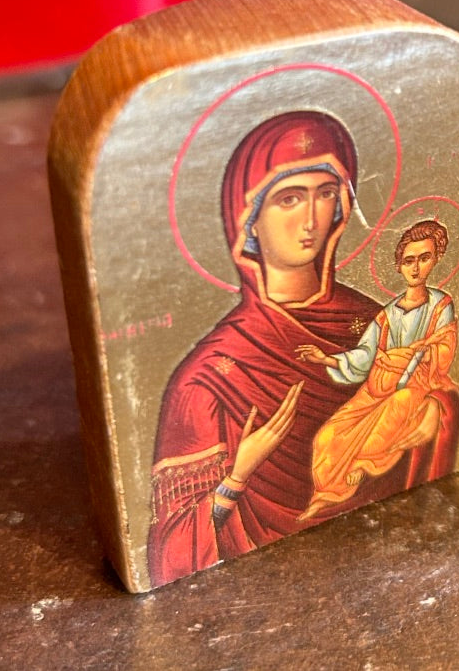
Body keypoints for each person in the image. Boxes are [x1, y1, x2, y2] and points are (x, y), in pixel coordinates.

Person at [147, 111, 442, 587]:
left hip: (391, 557)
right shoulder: (205, 378)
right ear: (249, 221)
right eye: (289, 198)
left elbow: (436, 418)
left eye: (325, 194)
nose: (310, 218)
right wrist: (237, 476)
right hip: (255, 588)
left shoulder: (379, 322)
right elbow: (170, 553)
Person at [295, 219, 459, 518]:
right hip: (375, 387)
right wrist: (326, 359)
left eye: (424, 259)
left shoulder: (440, 305)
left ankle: (362, 464)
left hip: (414, 384)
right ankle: (326, 494)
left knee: (396, 407)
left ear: (435, 260)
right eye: (409, 260)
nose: (416, 268)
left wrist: (426, 352)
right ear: (399, 265)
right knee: (329, 435)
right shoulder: (387, 314)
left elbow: (446, 345)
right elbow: (365, 355)